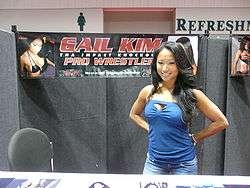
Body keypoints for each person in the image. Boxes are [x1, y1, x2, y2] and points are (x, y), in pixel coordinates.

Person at [129, 41, 228, 175]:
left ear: (180, 65)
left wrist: (195, 138)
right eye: (160, 63)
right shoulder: (148, 91)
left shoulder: (193, 94)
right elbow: (134, 114)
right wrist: (150, 128)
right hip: (154, 163)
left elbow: (221, 122)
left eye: (171, 63)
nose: (164, 69)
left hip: (184, 164)